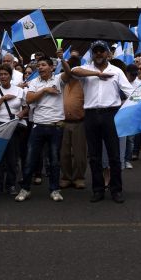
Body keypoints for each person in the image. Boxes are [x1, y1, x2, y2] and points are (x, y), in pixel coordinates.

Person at [70, 40, 134, 203]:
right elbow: (73, 71)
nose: (98, 54)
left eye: (101, 51)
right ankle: (98, 190)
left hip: (110, 115)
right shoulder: (87, 69)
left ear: (108, 53)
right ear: (92, 54)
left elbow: (131, 92)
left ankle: (116, 190)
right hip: (91, 115)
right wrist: (97, 74)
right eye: (95, 51)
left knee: (114, 156)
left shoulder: (117, 71)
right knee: (94, 156)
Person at [15, 52, 71, 202]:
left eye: (43, 65)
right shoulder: (34, 82)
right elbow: (29, 98)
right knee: (30, 159)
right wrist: (45, 90)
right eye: (39, 65)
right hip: (38, 125)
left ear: (52, 68)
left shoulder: (59, 79)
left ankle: (55, 190)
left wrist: (62, 59)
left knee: (54, 160)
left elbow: (69, 73)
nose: (40, 67)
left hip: (56, 126)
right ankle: (25, 189)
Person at [0, 63, 28, 196]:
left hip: (13, 125)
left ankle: (11, 185)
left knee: (12, 157)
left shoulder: (19, 91)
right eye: (1, 74)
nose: (3, 76)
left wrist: (22, 114)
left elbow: (26, 107)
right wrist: (3, 98)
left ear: (11, 76)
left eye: (6, 74)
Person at [60, 55, 87, 189]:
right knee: (64, 153)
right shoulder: (62, 82)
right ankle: (66, 177)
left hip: (79, 122)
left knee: (79, 153)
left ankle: (79, 177)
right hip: (63, 122)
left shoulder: (84, 82)